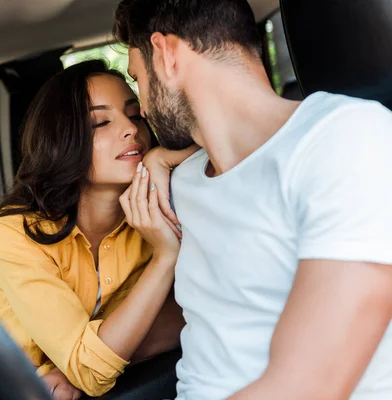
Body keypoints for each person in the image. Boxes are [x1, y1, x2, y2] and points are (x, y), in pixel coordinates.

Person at [114, 0, 392, 399]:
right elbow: (215, 318)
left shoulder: (348, 141)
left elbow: (306, 388)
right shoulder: (183, 180)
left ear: (166, 54)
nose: (142, 108)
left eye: (137, 80)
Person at [0, 59, 186, 399]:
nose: (131, 129)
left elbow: (197, 307)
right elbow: (90, 370)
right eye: (100, 122)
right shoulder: (16, 231)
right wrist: (165, 258)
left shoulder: (164, 201)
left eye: (135, 115)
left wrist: (159, 158)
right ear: (62, 141)